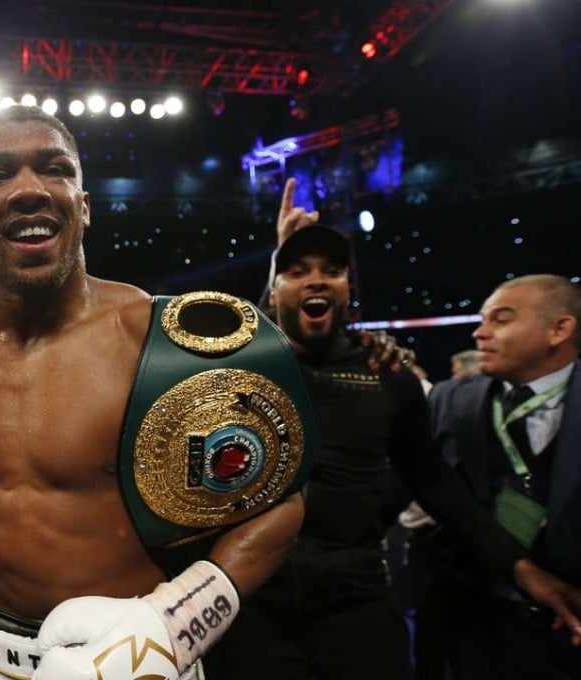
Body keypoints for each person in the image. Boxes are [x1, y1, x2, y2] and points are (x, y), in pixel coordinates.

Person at [0, 105, 305, 680]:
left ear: (84, 205)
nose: (29, 190)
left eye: (54, 169)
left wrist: (174, 624)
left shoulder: (155, 340)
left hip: (137, 650)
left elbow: (282, 505)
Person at [219, 181, 581, 680]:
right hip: (251, 600)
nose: (317, 281)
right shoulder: (240, 369)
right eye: (297, 273)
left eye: (333, 271)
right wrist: (278, 257)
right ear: (275, 288)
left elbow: (435, 485)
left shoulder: (388, 375)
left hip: (356, 601)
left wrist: (521, 568)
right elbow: (244, 335)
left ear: (350, 287)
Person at [418, 274, 581, 679]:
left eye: (501, 320)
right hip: (472, 629)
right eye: (482, 319)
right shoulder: (448, 400)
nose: (480, 332)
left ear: (559, 329)